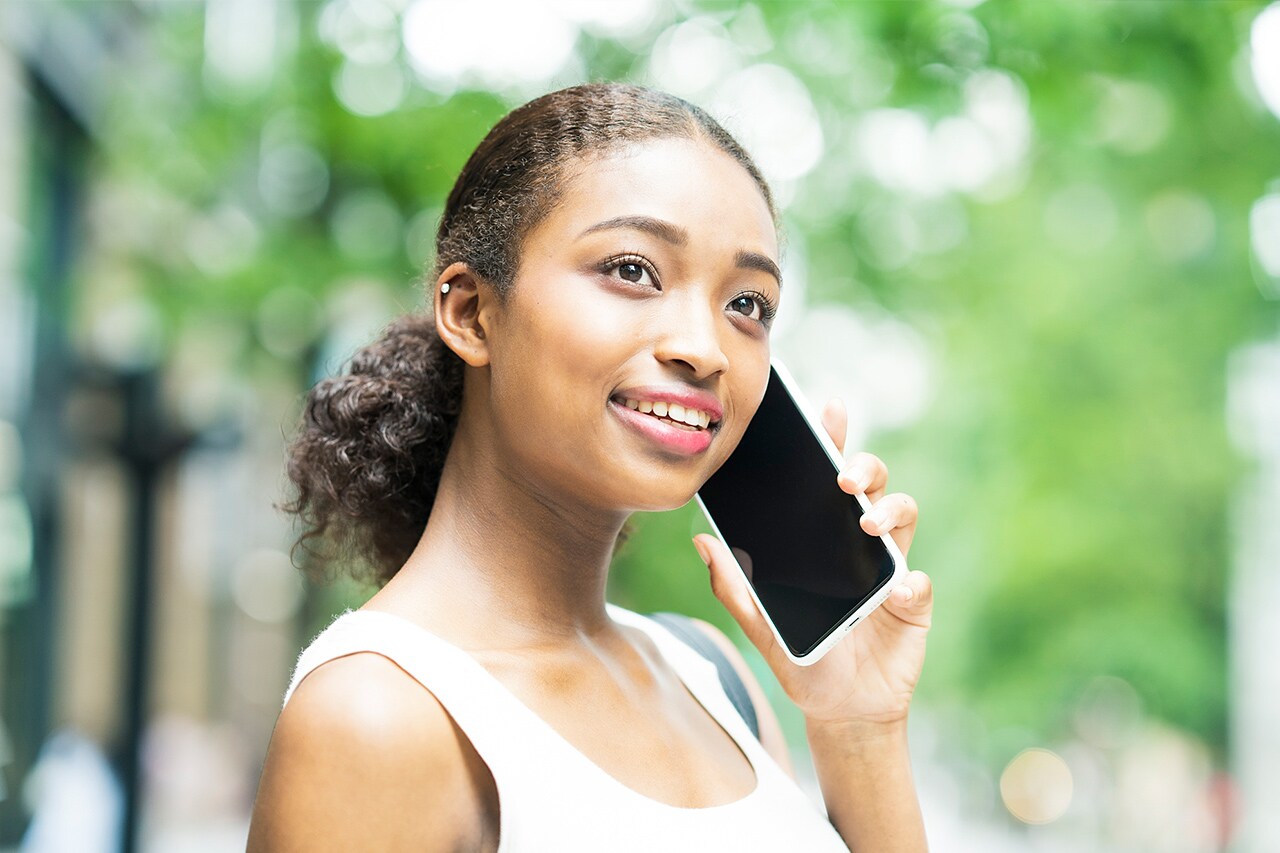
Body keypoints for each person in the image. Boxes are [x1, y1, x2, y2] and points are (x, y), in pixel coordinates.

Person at [247, 82, 932, 852]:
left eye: (748, 304)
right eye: (633, 270)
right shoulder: (380, 713)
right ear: (471, 312)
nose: (705, 349)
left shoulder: (713, 677)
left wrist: (859, 726)